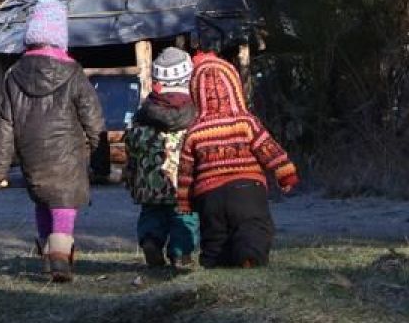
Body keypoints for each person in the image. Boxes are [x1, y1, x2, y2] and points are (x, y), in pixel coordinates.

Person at [0, 0, 104, 283]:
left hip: (32, 154)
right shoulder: (74, 72)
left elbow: (6, 125)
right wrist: (100, 162)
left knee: (42, 199)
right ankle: (61, 258)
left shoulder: (13, 75)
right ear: (60, 38)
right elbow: (94, 119)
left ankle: (46, 257)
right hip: (68, 153)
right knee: (63, 200)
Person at [174, 49, 298, 268]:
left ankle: (213, 262)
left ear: (196, 95)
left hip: (209, 195)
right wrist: (285, 173)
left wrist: (185, 202)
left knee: (215, 236)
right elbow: (267, 148)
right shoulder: (246, 122)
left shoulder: (194, 132)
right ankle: (249, 257)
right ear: (235, 87)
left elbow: (185, 171)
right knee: (254, 226)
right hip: (247, 188)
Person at [123, 48, 200, 269]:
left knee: (152, 214)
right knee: (185, 215)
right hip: (182, 181)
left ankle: (150, 241)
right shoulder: (193, 112)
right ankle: (180, 252)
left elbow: (132, 142)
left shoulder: (145, 111)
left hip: (150, 181)